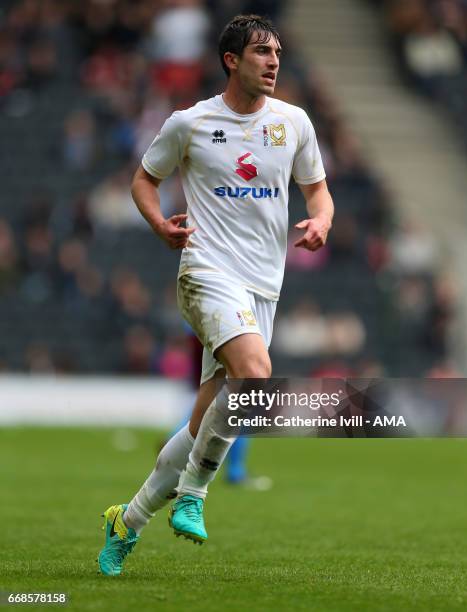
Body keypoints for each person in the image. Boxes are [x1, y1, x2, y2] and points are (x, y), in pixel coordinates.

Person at [98, 14, 334, 576]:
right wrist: (159, 225)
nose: (273, 61)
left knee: (206, 419)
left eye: (277, 52)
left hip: (263, 286)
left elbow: (318, 191)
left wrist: (321, 220)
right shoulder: (191, 122)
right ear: (232, 60)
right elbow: (143, 179)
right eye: (260, 52)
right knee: (256, 376)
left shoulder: (294, 123)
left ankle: (126, 521)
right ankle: (196, 495)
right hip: (205, 269)